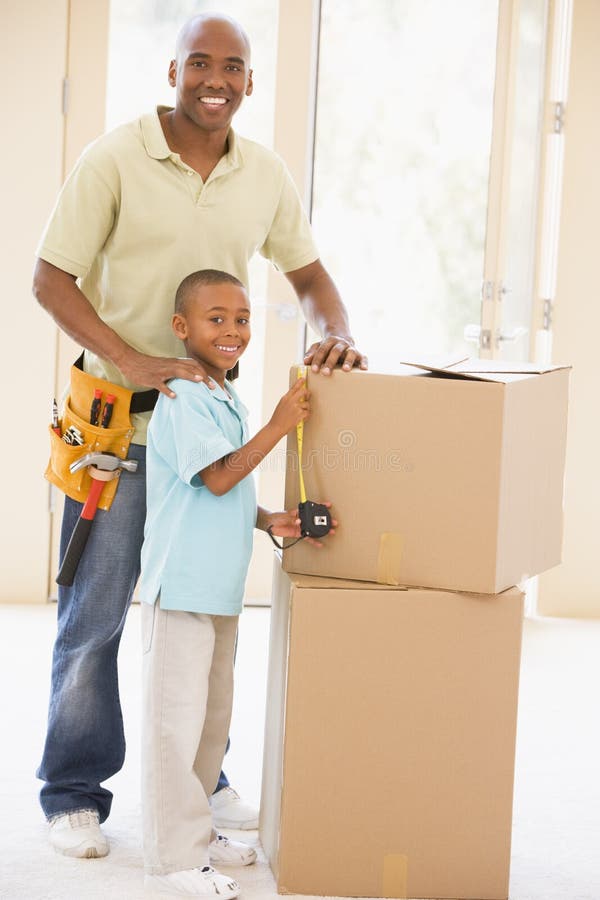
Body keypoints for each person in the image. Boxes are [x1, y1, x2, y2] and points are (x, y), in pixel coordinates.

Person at [33, 11, 367, 859]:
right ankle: (74, 790)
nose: (215, 79)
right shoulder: (114, 156)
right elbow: (50, 277)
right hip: (113, 423)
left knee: (207, 615)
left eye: (233, 66)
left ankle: (201, 779)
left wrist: (335, 328)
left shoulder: (264, 176)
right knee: (97, 615)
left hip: (207, 431)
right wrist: (134, 360)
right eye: (199, 64)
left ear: (250, 82)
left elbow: (311, 275)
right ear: (173, 73)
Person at [140, 268, 334, 898]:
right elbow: (219, 475)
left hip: (219, 587)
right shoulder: (181, 393)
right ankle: (173, 858)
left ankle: (199, 831)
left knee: (209, 724)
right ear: (182, 328)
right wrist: (279, 425)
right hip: (182, 586)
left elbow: (216, 488)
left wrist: (264, 518)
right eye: (215, 318)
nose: (231, 330)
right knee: (175, 725)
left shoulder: (222, 395)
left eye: (242, 318)